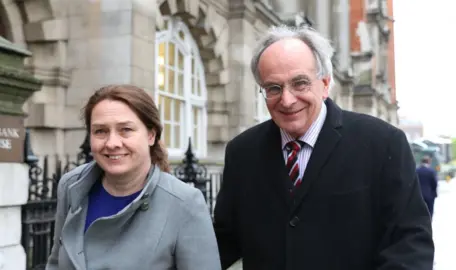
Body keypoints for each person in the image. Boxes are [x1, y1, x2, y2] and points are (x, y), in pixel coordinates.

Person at [213, 25, 434, 270]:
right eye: (273, 88)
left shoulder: (382, 143)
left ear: (325, 84)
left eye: (300, 83)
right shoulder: (242, 152)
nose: (287, 100)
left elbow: (410, 244)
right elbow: (222, 242)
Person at [46, 84, 221, 269]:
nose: (112, 143)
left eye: (126, 130)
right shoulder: (72, 186)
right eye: (100, 131)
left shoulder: (185, 202)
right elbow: (56, 262)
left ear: (151, 135)